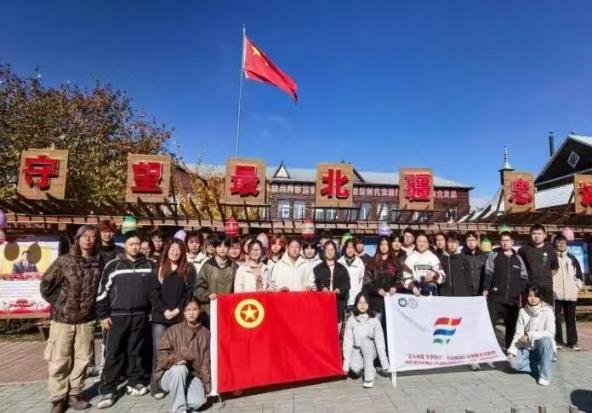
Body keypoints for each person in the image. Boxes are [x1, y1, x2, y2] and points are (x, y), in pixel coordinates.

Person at [40, 225, 102, 413]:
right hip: (63, 319)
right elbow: (46, 285)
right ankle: (58, 398)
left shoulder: (99, 262)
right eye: (85, 236)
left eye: (92, 236)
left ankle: (75, 394)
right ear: (78, 238)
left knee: (83, 359)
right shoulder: (64, 261)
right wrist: (61, 303)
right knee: (59, 359)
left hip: (86, 319)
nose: (88, 240)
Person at [96, 231, 155, 409]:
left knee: (135, 351)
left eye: (137, 244)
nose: (135, 247)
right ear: (125, 246)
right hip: (116, 316)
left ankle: (134, 382)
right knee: (114, 352)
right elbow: (102, 292)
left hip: (140, 316)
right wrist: (103, 315)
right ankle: (108, 389)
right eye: (131, 244)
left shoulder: (149, 265)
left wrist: (152, 311)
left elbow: (154, 292)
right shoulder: (114, 265)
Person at [150, 239, 197, 398]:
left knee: (180, 352)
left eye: (178, 249)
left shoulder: (188, 269)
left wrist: (178, 309)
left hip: (179, 316)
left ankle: (180, 383)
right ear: (167, 250)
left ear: (182, 252)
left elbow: (189, 292)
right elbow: (153, 293)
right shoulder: (158, 268)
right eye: (172, 249)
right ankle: (157, 386)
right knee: (160, 351)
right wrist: (164, 310)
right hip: (160, 317)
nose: (175, 252)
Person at [155, 297, 210, 412]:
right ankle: (179, 409)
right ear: (183, 312)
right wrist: (175, 359)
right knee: (180, 369)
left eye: (195, 309)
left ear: (200, 310)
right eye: (188, 310)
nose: (191, 313)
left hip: (192, 376)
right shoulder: (173, 330)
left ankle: (180, 396)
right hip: (170, 374)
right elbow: (161, 354)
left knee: (198, 402)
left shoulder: (206, 334)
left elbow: (206, 362)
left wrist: (207, 386)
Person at [482, 231, 528, 350]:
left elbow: (524, 277)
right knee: (489, 324)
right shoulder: (494, 255)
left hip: (513, 299)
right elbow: (488, 272)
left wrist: (518, 291)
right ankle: (489, 350)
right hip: (495, 297)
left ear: (512, 242)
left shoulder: (518, 258)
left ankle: (509, 349)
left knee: (511, 326)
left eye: (507, 240)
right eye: (502, 240)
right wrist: (486, 289)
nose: (505, 243)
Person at [507, 287, 556, 386]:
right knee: (513, 363)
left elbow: (550, 333)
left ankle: (545, 376)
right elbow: (518, 333)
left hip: (543, 348)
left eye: (536, 296)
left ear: (540, 297)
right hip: (529, 348)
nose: (533, 298)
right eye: (530, 296)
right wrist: (512, 351)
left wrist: (529, 335)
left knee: (545, 340)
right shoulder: (523, 311)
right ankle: (543, 366)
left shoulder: (548, 310)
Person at [342, 292, 389, 388]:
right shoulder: (351, 320)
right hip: (357, 350)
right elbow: (348, 342)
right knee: (355, 369)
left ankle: (368, 377)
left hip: (371, 349)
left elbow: (380, 342)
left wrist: (384, 363)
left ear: (369, 304)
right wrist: (346, 365)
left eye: (365, 302)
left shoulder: (374, 320)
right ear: (356, 304)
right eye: (360, 302)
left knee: (366, 343)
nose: (362, 305)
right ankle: (370, 367)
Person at [193, 235, 238, 319]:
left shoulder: (234, 266)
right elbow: (198, 289)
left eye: (225, 246)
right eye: (219, 246)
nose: (222, 249)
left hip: (228, 309)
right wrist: (208, 295)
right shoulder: (208, 266)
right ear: (215, 247)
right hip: (210, 309)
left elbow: (238, 289)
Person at [553, 234, 583, 351]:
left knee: (571, 319)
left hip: (570, 293)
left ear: (566, 244)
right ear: (555, 244)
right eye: (558, 242)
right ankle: (558, 341)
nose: (561, 245)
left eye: (563, 242)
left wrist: (576, 287)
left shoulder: (572, 258)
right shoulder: (552, 258)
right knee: (556, 318)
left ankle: (572, 342)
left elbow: (579, 276)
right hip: (555, 294)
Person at [518, 224, 559, 305]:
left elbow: (555, 268)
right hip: (529, 287)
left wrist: (545, 276)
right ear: (530, 235)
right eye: (534, 234)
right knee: (529, 309)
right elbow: (519, 268)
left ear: (544, 235)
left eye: (539, 234)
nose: (537, 236)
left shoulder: (551, 250)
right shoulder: (523, 250)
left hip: (546, 287)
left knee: (547, 309)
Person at [314, 240, 351, 327]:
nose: (330, 252)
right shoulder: (318, 268)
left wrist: (340, 290)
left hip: (337, 304)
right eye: (327, 249)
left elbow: (347, 284)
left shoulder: (342, 268)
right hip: (321, 305)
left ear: (335, 251)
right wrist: (321, 288)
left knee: (336, 331)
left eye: (332, 249)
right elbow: (314, 283)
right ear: (324, 251)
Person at [364, 236, 400, 318]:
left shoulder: (395, 261)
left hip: (392, 301)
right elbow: (367, 282)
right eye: (382, 244)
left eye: (386, 244)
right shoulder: (372, 262)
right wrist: (377, 290)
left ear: (389, 246)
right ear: (378, 246)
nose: (384, 247)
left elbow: (400, 278)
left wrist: (395, 287)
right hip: (376, 303)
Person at [403, 232, 445, 296]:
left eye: (424, 242)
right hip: (414, 293)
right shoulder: (410, 257)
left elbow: (443, 277)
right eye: (419, 241)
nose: (422, 244)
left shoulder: (433, 257)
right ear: (416, 243)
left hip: (431, 293)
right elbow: (405, 277)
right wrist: (412, 287)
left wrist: (435, 275)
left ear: (428, 244)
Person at [438, 233, 473, 297]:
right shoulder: (442, 259)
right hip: (445, 294)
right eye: (450, 242)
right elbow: (440, 278)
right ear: (446, 243)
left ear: (458, 243)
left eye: (455, 242)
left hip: (462, 294)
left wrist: (469, 292)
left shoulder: (463, 258)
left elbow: (469, 277)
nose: (452, 245)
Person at [339, 239, 365, 319]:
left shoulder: (360, 263)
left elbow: (361, 280)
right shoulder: (339, 262)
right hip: (342, 299)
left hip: (355, 299)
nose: (350, 250)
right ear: (345, 249)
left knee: (355, 322)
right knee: (342, 323)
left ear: (355, 249)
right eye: (348, 248)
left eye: (352, 248)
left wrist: (358, 293)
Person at [462, 231, 487, 295]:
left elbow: (487, 273)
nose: (471, 242)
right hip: (466, 291)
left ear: (476, 241)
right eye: (468, 240)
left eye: (473, 240)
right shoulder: (461, 255)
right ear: (465, 242)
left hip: (481, 290)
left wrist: (486, 288)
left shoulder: (483, 255)